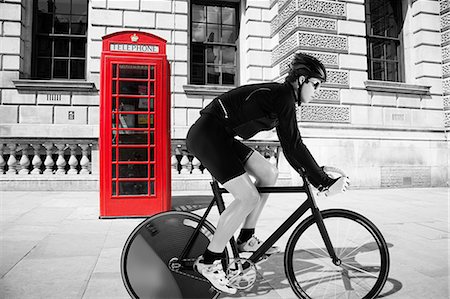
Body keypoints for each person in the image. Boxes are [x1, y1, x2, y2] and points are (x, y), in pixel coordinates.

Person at [186, 52, 350, 294]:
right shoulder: (283, 96)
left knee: (269, 173)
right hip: (208, 136)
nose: (316, 92)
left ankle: (245, 238)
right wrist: (322, 182)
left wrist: (316, 172)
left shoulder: (283, 98)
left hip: (221, 136)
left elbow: (292, 145)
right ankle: (209, 262)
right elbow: (293, 144)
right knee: (248, 197)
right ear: (301, 79)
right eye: (315, 85)